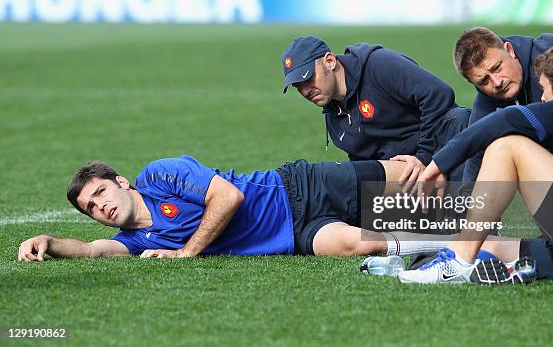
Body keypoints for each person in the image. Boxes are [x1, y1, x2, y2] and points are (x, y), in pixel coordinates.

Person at [399, 39, 553, 283]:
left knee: (507, 147)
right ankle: (448, 256)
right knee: (495, 245)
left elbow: (506, 119)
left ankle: (457, 263)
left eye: (543, 89)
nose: (541, 98)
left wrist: (439, 164)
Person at [17, 156, 451, 262]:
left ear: (121, 182)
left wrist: (187, 252)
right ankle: (465, 244)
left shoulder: (160, 174)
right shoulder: (135, 241)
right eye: (91, 208)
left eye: (100, 193)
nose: (101, 207)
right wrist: (50, 242)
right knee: (359, 244)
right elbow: (93, 251)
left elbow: (228, 197)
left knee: (414, 178)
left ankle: (493, 193)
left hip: (297, 185)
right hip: (295, 235)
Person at [281, 36, 471, 187]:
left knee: (458, 119)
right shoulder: (334, 123)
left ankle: (475, 222)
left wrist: (424, 158)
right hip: (408, 177)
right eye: (298, 86)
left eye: (309, 79)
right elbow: (368, 170)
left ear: (330, 61)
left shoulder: (377, 64)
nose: (306, 91)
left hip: (438, 150)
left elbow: (438, 94)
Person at [453, 24, 553, 182]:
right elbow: (474, 161)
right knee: (504, 146)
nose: (497, 82)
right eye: (484, 80)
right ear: (472, 82)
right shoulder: (486, 105)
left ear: (509, 50)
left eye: (497, 68)